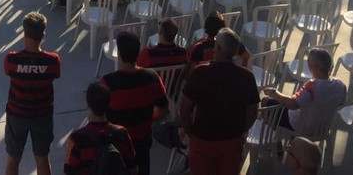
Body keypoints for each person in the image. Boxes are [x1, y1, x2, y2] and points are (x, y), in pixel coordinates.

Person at [178, 28, 259, 175]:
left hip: (203, 141)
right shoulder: (247, 77)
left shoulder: (200, 72)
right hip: (232, 142)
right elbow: (253, 111)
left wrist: (191, 134)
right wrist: (240, 131)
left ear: (218, 48)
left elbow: (184, 108)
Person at [101, 31, 169, 175]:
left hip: (117, 146)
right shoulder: (152, 77)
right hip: (143, 142)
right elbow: (164, 109)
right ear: (137, 53)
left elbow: (99, 118)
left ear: (119, 53)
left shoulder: (107, 83)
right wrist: (149, 118)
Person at [3, 12, 62, 175]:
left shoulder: (11, 60)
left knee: (13, 158)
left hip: (17, 115)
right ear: (43, 34)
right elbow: (56, 75)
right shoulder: (53, 60)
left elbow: (7, 73)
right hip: (42, 115)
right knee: (42, 158)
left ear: (24, 33)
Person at [262, 48, 346, 136]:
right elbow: (341, 103)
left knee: (266, 101)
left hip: (301, 126)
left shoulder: (311, 87)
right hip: (322, 127)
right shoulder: (340, 85)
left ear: (315, 68)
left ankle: (271, 137)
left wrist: (274, 93)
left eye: (308, 62)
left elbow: (293, 104)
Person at [64, 83, 137, 175]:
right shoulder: (121, 133)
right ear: (108, 103)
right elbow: (133, 167)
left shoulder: (77, 138)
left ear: (87, 104)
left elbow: (68, 171)